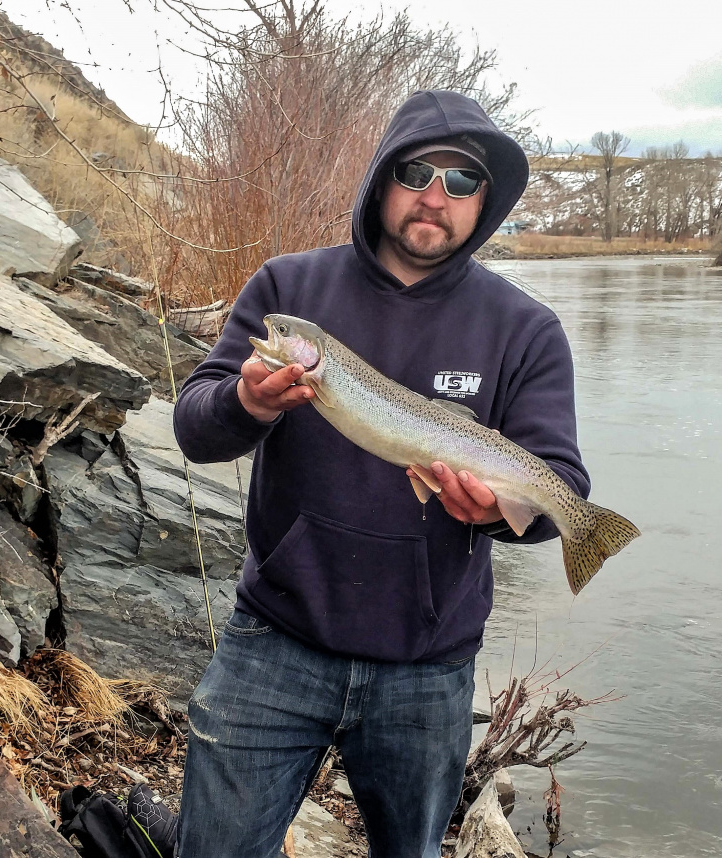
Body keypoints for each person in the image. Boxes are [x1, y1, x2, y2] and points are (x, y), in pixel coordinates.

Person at [172, 89, 591, 858]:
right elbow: (195, 429)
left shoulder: (525, 329)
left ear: (485, 202)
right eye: (417, 172)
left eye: (462, 182)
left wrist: (492, 512)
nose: (436, 196)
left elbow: (560, 480)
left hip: (427, 670)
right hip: (274, 642)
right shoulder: (288, 291)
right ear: (381, 180)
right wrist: (247, 402)